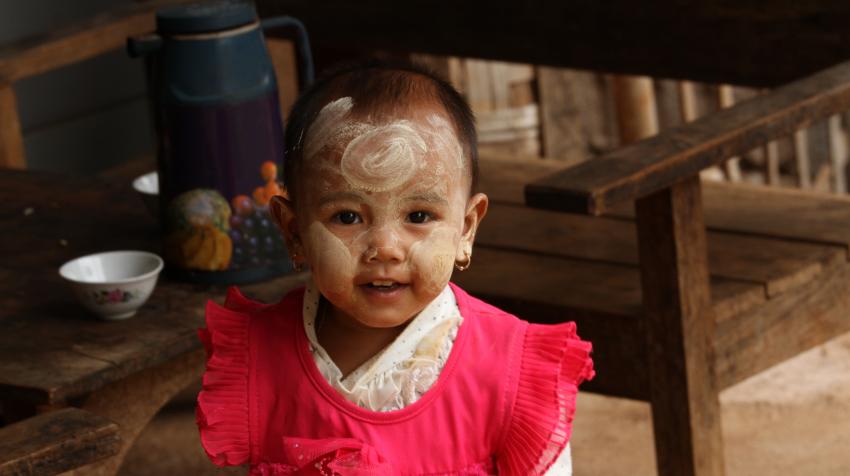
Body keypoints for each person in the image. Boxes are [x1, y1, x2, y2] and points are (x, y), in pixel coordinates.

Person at [196, 59, 594, 475]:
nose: (385, 249)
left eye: (419, 216)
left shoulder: (507, 371)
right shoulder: (259, 361)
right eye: (348, 217)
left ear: (466, 229)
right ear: (294, 231)